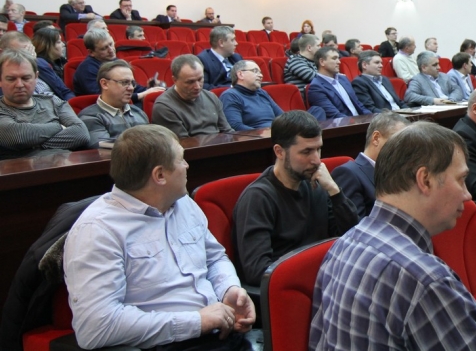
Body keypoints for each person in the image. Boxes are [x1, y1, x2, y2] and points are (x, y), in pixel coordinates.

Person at [309, 121, 476, 349]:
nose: (468, 194)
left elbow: (443, 323)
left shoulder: (345, 243)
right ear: (425, 180)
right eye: (461, 179)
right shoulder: (424, 278)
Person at [64, 125, 255, 349]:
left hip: (223, 334)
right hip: (168, 344)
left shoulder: (183, 203)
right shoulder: (97, 231)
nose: (187, 166)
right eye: (181, 159)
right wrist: (196, 322)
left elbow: (214, 258)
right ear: (160, 175)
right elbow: (96, 327)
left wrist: (229, 289)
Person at [232, 111, 359, 285]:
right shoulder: (258, 199)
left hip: (325, 279)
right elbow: (257, 272)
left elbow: (352, 238)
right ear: (279, 152)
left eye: (318, 149)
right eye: (306, 151)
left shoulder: (317, 185)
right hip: (289, 288)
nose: (316, 160)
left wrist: (335, 191)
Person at [0, 50, 90, 160]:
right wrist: (59, 127)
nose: (19, 85)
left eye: (26, 78)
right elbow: (17, 137)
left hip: (66, 165)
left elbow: (81, 133)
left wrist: (35, 145)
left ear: (36, 77)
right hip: (21, 169)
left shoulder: (53, 101)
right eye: (11, 79)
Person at [331, 112, 410, 218]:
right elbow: (354, 225)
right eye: (399, 143)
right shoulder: (348, 173)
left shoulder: (399, 174)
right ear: (376, 138)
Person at [152, 55, 232, 138]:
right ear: (175, 80)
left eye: (200, 79)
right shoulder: (164, 106)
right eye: (190, 82)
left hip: (219, 144)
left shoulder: (211, 97)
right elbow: (183, 143)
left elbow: (227, 132)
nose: (197, 86)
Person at [72, 29, 163, 103]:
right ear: (91, 52)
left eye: (111, 44)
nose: (111, 50)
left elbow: (133, 87)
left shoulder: (117, 62)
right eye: (104, 48)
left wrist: (150, 89)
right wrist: (140, 95)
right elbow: (103, 97)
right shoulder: (86, 69)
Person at [78, 60, 149, 146]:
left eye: (133, 83)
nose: (131, 88)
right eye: (124, 82)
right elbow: (103, 149)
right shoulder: (90, 116)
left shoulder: (139, 112)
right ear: (104, 84)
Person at [307, 47, 371, 119]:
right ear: (322, 62)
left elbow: (359, 105)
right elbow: (334, 115)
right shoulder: (316, 87)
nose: (339, 62)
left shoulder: (343, 79)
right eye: (334, 58)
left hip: (360, 120)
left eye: (338, 58)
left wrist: (371, 118)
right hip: (345, 124)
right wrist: (358, 123)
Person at [220, 59, 283, 130]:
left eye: (260, 72)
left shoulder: (262, 92)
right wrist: (261, 134)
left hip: (275, 133)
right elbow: (235, 126)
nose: (261, 75)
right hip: (254, 136)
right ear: (240, 74)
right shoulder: (230, 96)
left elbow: (282, 117)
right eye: (255, 71)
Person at [31, 27, 74, 100]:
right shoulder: (41, 64)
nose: (63, 44)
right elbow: (62, 91)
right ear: (47, 45)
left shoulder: (61, 61)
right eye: (59, 42)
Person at [197, 26, 243, 90]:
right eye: (232, 40)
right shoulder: (203, 60)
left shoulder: (237, 57)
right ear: (221, 43)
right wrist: (231, 88)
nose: (236, 43)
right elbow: (204, 87)